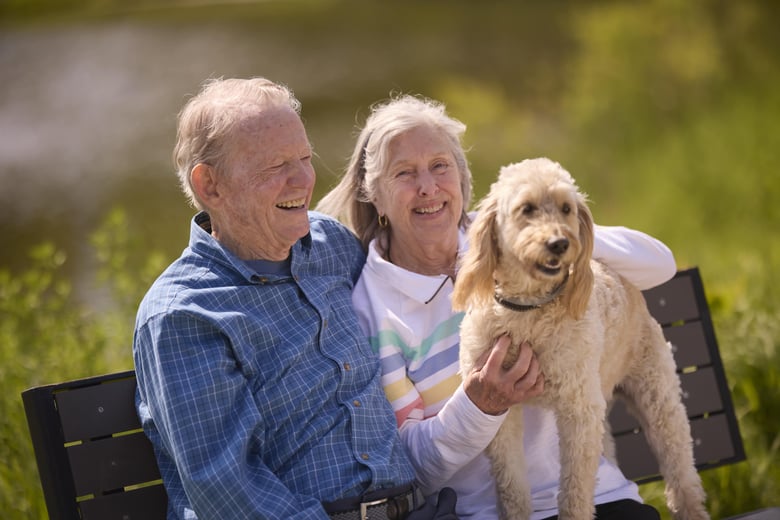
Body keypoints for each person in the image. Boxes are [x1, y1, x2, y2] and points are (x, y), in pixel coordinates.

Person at [316, 94, 674, 520]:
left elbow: (660, 265)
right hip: (482, 513)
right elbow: (409, 468)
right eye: (405, 173)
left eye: (440, 166)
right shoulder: (372, 310)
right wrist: (479, 406)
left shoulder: (510, 241)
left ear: (463, 180)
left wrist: (545, 241)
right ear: (374, 194)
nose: (428, 186)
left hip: (592, 500)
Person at [133, 77, 459, 519]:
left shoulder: (333, 247)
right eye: (275, 166)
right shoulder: (184, 314)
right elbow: (233, 494)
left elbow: (427, 257)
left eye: (305, 158)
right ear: (210, 186)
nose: (303, 180)